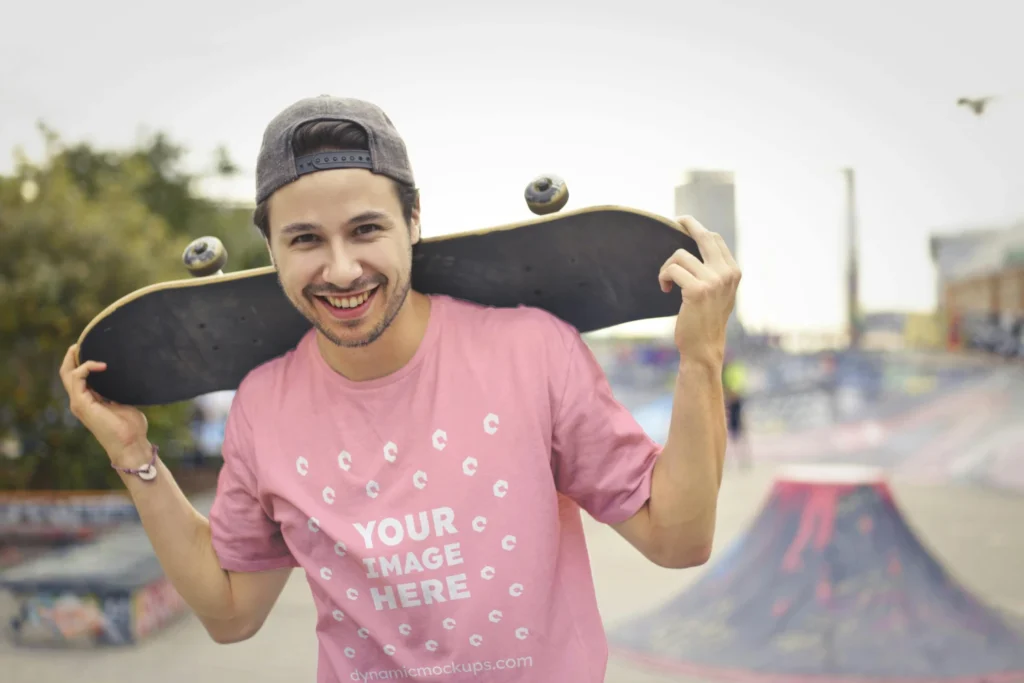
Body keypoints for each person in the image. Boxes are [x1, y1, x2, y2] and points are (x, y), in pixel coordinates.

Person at [59, 95, 741, 682]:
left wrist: (701, 357)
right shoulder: (264, 406)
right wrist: (135, 458)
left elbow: (677, 539)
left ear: (413, 220)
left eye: (366, 229)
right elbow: (232, 612)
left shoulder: (531, 350)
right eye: (305, 240)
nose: (342, 268)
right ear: (271, 249)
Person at [722, 354, 752, 469]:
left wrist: (729, 394)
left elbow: (736, 388)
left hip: (733, 403)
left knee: (737, 433)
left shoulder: (733, 370)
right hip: (727, 403)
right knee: (728, 434)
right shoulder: (723, 370)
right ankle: (734, 461)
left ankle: (743, 460)